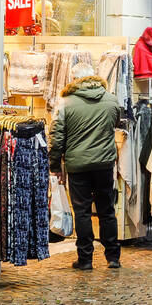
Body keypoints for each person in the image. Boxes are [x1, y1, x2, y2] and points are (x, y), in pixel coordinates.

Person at [50, 62, 122, 270]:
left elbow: (57, 137)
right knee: (106, 210)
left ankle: (85, 259)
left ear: (74, 79)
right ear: (94, 77)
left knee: (81, 211)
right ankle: (113, 257)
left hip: (77, 164)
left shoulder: (66, 102)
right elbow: (115, 124)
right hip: (104, 163)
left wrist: (55, 165)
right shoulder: (111, 100)